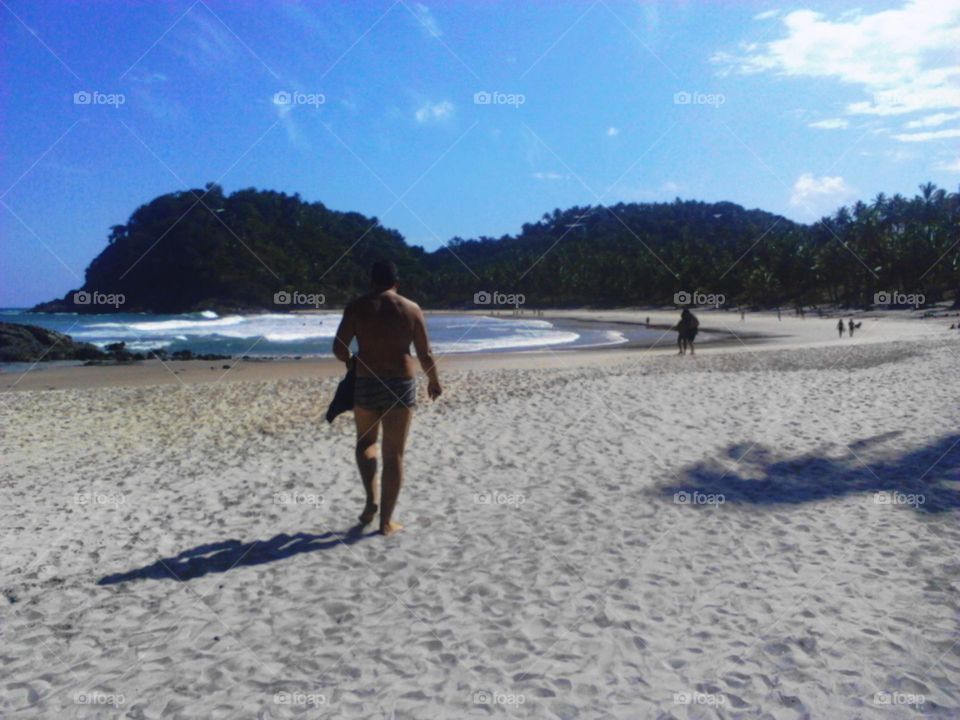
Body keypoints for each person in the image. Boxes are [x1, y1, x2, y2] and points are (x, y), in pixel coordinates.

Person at [333, 260, 443, 536]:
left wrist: (350, 363)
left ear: (371, 281)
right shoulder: (410, 308)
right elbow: (425, 353)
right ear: (397, 282)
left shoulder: (357, 306)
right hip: (400, 383)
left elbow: (339, 347)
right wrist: (434, 380)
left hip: (367, 380)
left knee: (365, 442)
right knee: (394, 453)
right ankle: (386, 522)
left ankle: (371, 502)